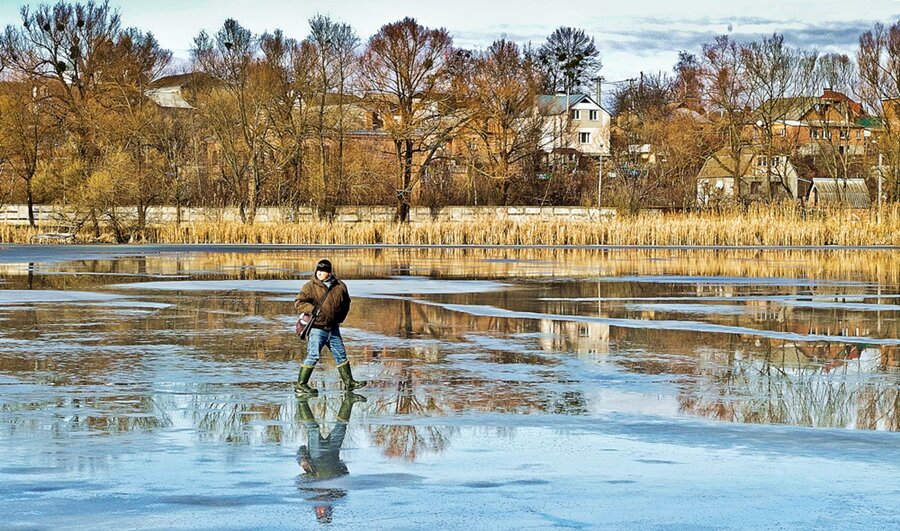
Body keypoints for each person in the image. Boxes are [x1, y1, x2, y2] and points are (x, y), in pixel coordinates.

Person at [294, 259, 367, 396]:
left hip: (333, 329)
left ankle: (349, 382)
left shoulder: (340, 286)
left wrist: (340, 319)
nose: (320, 273)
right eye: (318, 270)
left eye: (324, 271)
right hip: (317, 328)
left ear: (329, 272)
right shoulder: (310, 286)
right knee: (313, 355)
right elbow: (299, 302)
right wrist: (312, 309)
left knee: (341, 355)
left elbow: (346, 304)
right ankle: (301, 385)